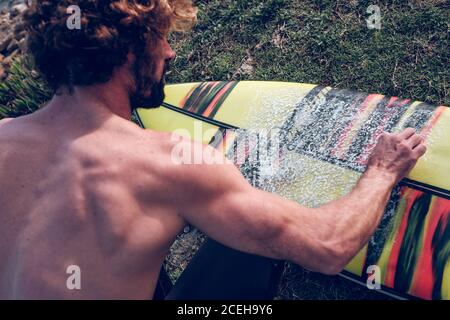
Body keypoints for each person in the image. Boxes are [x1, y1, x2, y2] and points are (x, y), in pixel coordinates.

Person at [0, 0, 426, 299]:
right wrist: (382, 171)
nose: (170, 52)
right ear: (127, 52)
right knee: (258, 229)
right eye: (160, 39)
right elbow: (328, 248)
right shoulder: (166, 162)